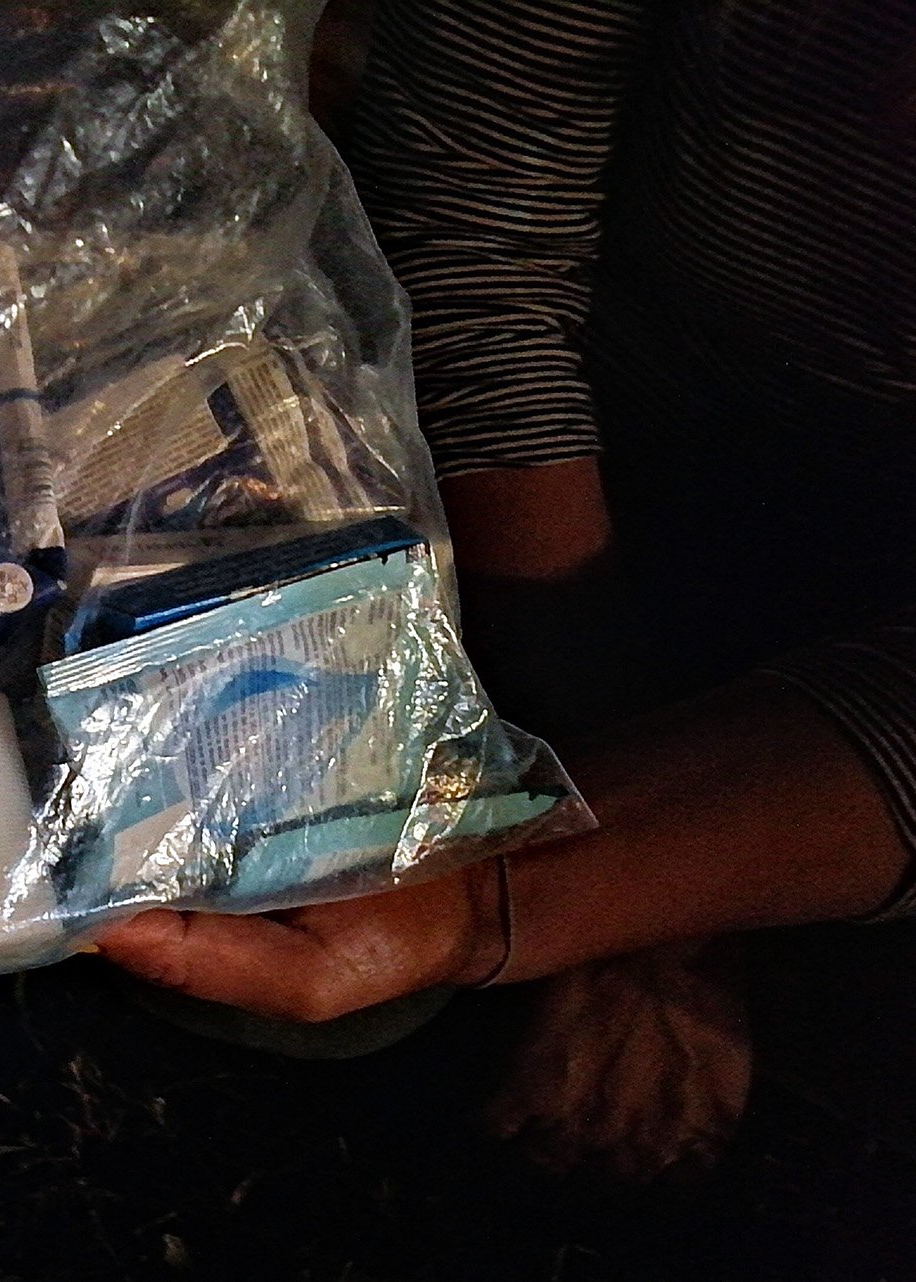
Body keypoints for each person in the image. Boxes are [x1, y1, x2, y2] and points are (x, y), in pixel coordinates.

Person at [99, 0, 916, 1179]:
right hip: (604, 417)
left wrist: (569, 900)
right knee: (273, 876)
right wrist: (545, 842)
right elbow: (480, 246)